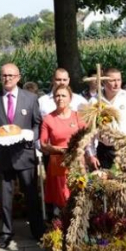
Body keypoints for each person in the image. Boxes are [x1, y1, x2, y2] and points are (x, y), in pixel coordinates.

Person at [0, 64, 45, 247]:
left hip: (24, 155)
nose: (7, 78)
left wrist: (31, 135)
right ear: (0, 78)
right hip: (2, 156)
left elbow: (37, 124)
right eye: (4, 76)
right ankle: (6, 231)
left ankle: (37, 230)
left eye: (11, 75)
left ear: (18, 77)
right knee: (5, 197)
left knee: (31, 195)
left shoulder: (31, 98)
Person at [87, 67, 126, 170]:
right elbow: (89, 131)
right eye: (112, 80)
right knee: (105, 184)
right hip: (104, 152)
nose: (116, 84)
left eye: (119, 80)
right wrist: (91, 154)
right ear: (104, 81)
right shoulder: (94, 102)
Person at [40, 85, 85, 215]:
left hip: (76, 161)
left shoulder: (78, 117)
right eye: (57, 95)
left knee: (78, 196)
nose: (60, 98)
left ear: (70, 98)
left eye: (63, 95)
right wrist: (60, 149)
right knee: (61, 199)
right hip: (57, 162)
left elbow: (86, 137)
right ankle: (59, 229)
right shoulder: (48, 119)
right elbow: (43, 144)